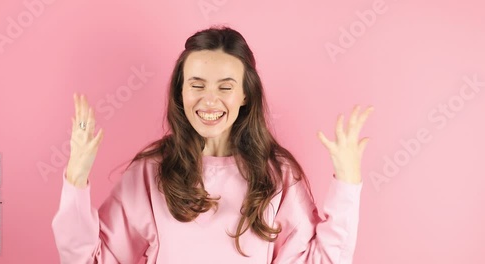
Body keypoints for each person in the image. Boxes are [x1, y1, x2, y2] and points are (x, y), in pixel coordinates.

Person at [51, 26, 374, 264]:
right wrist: (76, 180)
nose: (209, 100)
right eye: (197, 85)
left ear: (245, 95)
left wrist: (347, 183)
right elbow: (91, 260)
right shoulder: (150, 172)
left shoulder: (277, 174)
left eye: (225, 87)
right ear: (180, 91)